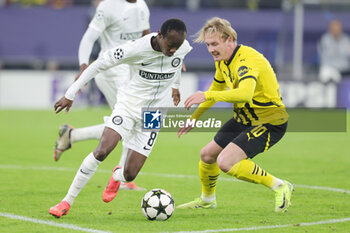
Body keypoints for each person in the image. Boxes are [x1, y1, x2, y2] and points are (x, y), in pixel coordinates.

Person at [49, 18, 192, 218]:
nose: (173, 51)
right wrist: (70, 94)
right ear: (160, 35)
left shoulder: (182, 47)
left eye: (177, 47)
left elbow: (177, 64)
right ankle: (66, 201)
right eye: (170, 46)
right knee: (102, 150)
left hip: (154, 115)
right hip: (128, 106)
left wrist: (175, 87)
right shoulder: (135, 49)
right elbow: (97, 65)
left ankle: (118, 176)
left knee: (130, 174)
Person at [176, 17, 293, 213]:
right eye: (208, 45)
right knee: (207, 155)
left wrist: (206, 94)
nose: (211, 49)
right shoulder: (223, 61)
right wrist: (194, 118)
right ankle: (207, 200)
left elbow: (244, 93)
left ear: (229, 39)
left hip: (269, 122)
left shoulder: (248, 59)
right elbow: (215, 92)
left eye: (215, 44)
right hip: (244, 119)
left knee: (225, 162)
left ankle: (280, 185)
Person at [53, 0, 151, 191]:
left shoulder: (142, 6)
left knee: (129, 122)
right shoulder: (108, 6)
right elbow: (89, 38)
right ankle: (121, 179)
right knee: (131, 122)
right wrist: (83, 66)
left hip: (132, 71)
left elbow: (146, 37)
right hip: (111, 71)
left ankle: (72, 135)